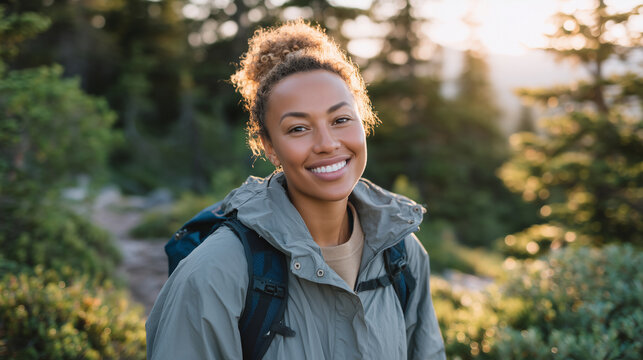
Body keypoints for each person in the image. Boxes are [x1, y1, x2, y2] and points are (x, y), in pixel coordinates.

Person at [146, 19, 446, 360]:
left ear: (363, 121)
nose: (327, 144)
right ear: (269, 146)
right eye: (299, 128)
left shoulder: (403, 252)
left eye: (340, 120)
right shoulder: (216, 273)